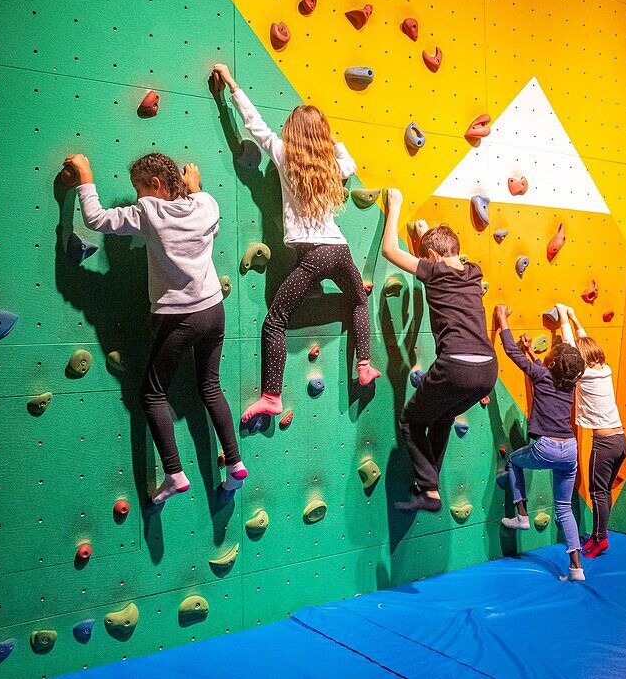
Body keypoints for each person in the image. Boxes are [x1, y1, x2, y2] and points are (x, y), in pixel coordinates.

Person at [64, 152, 246, 507]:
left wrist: (86, 175)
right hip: (213, 310)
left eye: (138, 189)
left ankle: (175, 473)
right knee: (210, 385)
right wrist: (195, 188)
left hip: (178, 317)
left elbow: (96, 218)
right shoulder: (206, 204)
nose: (137, 197)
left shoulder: (149, 213)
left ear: (156, 186)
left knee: (151, 395)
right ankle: (235, 463)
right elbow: (207, 219)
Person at [211, 64, 380, 423]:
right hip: (340, 249)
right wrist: (331, 140)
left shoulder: (285, 155)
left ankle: (272, 396)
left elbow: (253, 125)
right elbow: (349, 163)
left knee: (275, 320)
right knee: (358, 302)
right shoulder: (329, 167)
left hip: (314, 255)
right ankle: (364, 365)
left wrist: (230, 84)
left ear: (292, 132)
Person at [380, 189, 498, 512]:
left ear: (429, 259)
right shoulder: (472, 273)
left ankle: (430, 489)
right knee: (443, 415)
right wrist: (425, 236)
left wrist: (396, 206)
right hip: (488, 369)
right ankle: (427, 482)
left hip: (456, 365)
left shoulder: (433, 271)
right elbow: (448, 257)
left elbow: (390, 249)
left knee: (410, 420)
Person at [495, 303, 586, 581]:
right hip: (569, 450)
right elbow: (540, 371)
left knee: (513, 460)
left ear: (553, 365)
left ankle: (522, 514)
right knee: (564, 508)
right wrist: (531, 352)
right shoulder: (568, 384)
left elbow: (511, 353)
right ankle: (576, 568)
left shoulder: (543, 376)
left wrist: (502, 321)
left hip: (546, 447)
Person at [564, 306, 626, 558]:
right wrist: (574, 317)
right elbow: (583, 343)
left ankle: (600, 539)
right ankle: (599, 535)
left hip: (605, 444)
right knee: (605, 492)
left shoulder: (584, 375)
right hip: (621, 440)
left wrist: (563, 320)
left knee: (598, 492)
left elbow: (569, 349)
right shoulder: (604, 370)